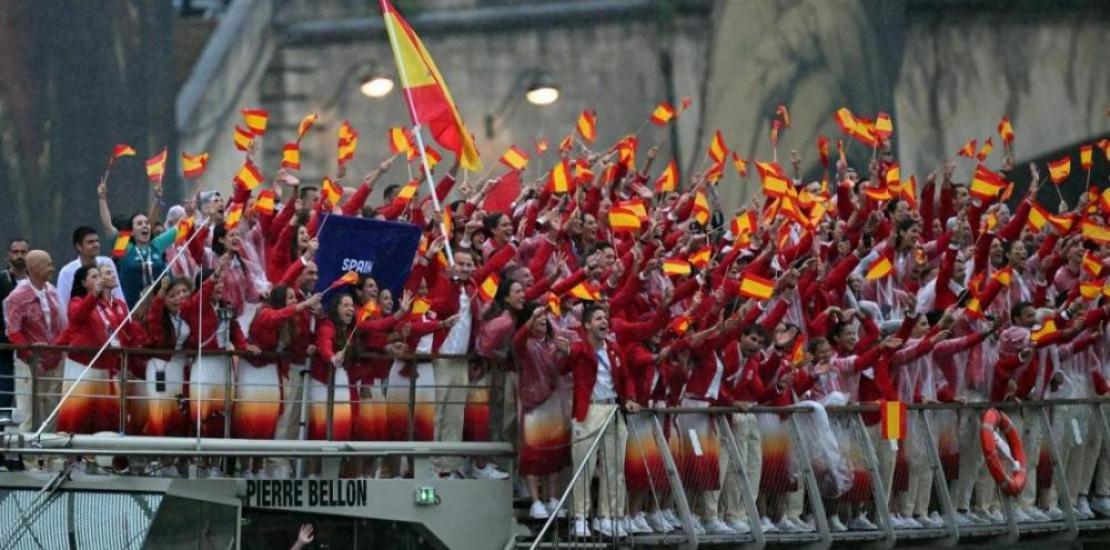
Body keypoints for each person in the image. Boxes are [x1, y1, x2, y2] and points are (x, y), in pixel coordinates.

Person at [563, 303, 640, 538]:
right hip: (589, 412)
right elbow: (562, 367)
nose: (604, 322)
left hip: (613, 410)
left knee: (614, 468)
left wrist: (629, 398)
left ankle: (607, 517)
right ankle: (580, 517)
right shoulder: (578, 349)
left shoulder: (614, 349)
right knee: (583, 467)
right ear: (587, 324)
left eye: (605, 318)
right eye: (598, 318)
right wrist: (564, 352)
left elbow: (625, 376)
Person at [54, 264, 142, 434]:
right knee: (77, 414)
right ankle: (73, 457)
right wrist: (94, 294)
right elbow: (79, 315)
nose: (99, 279)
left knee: (103, 416)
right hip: (83, 366)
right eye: (94, 277)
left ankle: (99, 456)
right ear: (83, 283)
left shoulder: (105, 305)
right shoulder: (76, 302)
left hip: (104, 366)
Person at [2, 250, 65, 445]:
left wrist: (56, 350)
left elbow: (63, 325)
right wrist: (30, 354)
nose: (52, 268)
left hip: (53, 361)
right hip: (27, 363)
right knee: (28, 411)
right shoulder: (17, 297)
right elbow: (13, 331)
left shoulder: (52, 292)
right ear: (35, 269)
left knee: (51, 409)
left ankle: (47, 455)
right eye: (48, 264)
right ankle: (27, 458)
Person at [56, 227, 124, 324]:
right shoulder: (66, 272)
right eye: (90, 242)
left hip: (111, 322)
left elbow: (118, 294)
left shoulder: (107, 262)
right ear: (79, 246)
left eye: (97, 241)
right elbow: (62, 307)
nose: (96, 245)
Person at [0, 238, 30, 410]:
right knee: (4, 394)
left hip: (28, 349)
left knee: (26, 401)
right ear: (8, 255)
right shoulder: (2, 280)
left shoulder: (37, 282)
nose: (19, 256)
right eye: (15, 252)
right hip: (4, 347)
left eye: (23, 252)